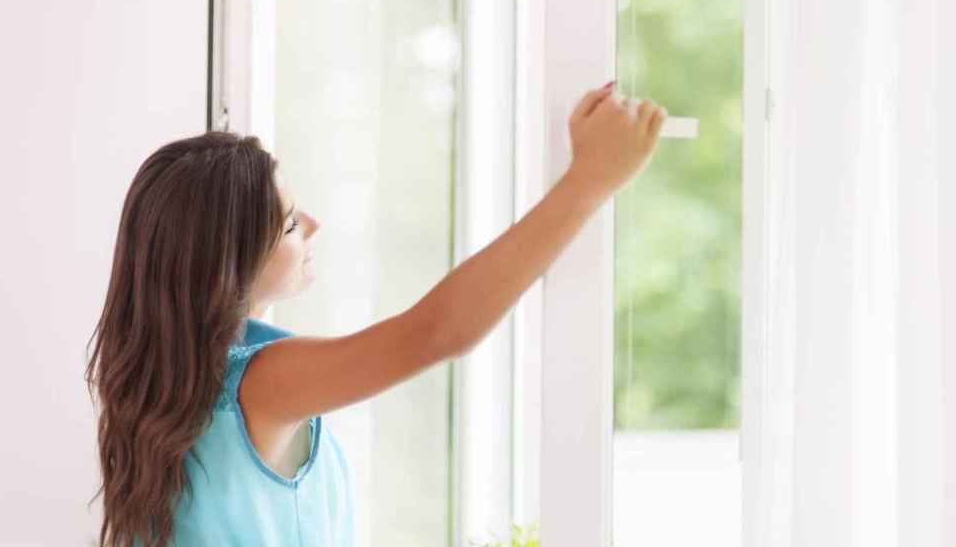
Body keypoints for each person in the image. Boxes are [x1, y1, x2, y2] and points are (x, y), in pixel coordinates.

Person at [84, 80, 666, 547]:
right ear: (226, 265)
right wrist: (588, 183)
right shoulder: (261, 384)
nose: (313, 225)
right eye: (289, 222)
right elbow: (437, 332)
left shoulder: (160, 386)